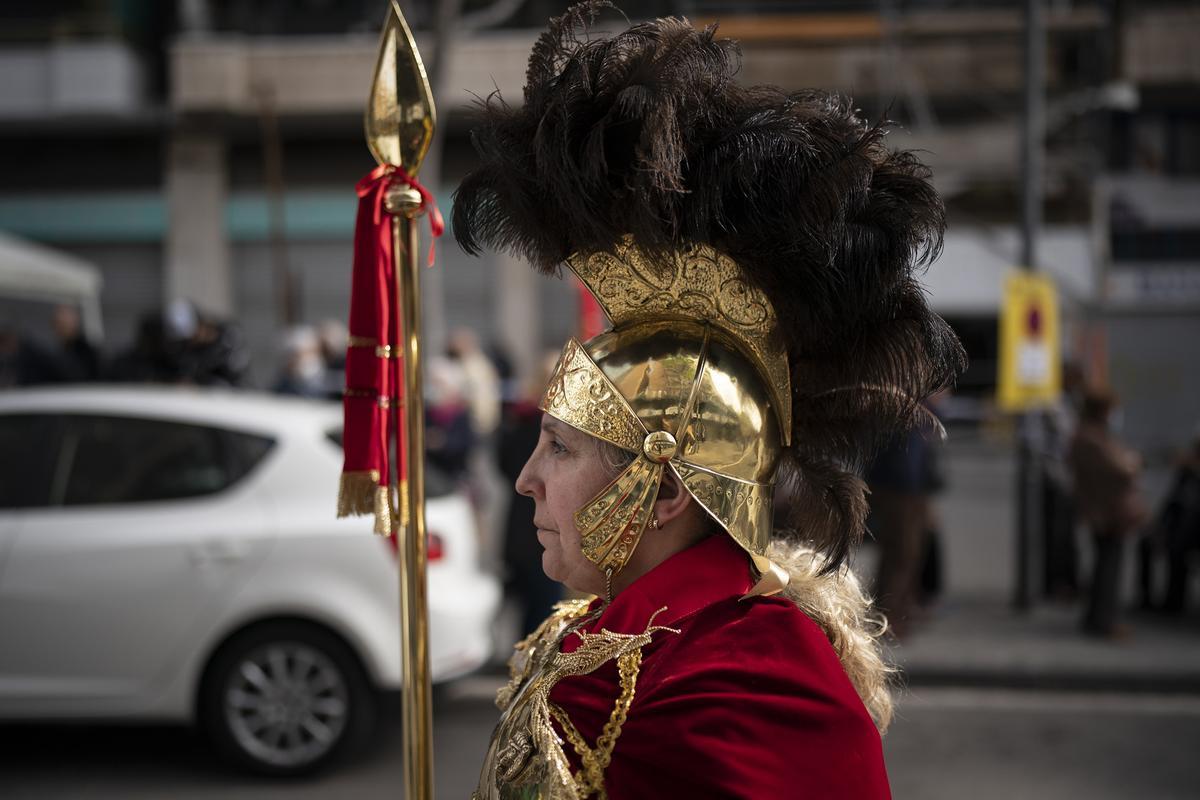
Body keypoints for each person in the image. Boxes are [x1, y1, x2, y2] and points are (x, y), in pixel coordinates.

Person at [454, 4, 964, 798]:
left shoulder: (745, 686)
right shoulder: (601, 632)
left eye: (560, 448)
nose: (526, 479)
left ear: (660, 489)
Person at [1068, 389, 1147, 638]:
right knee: (1108, 568)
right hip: (1106, 513)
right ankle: (1103, 621)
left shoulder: (1091, 435)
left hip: (1104, 511)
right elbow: (1121, 469)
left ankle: (1097, 617)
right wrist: (1132, 462)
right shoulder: (1091, 439)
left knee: (1105, 565)